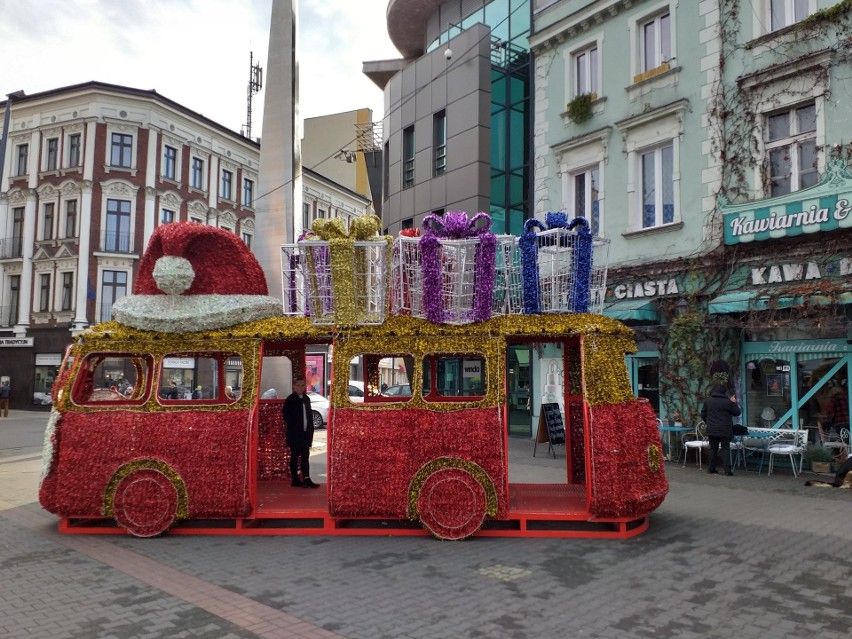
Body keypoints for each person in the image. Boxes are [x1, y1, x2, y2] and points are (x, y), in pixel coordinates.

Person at [283, 376, 319, 488]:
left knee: (305, 457)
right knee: (294, 457)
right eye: (298, 385)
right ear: (294, 386)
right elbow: (286, 416)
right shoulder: (290, 399)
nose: (300, 387)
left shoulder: (306, 399)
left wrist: (310, 431)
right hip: (295, 434)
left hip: (305, 434)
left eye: (303, 385)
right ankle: (295, 479)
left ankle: (307, 478)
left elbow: (308, 416)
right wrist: (294, 428)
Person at [700, 383, 741, 476]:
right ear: (724, 391)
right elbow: (737, 413)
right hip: (725, 429)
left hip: (712, 429)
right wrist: (734, 403)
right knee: (725, 449)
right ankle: (727, 471)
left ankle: (711, 469)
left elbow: (703, 414)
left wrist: (709, 422)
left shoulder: (708, 401)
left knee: (713, 449)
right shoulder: (727, 402)